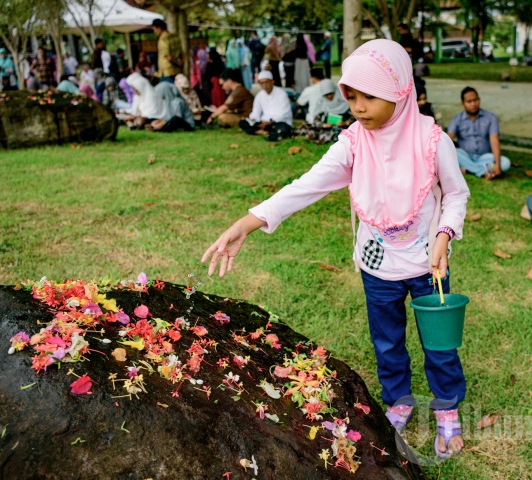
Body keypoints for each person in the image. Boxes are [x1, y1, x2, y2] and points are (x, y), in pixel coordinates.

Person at [203, 39, 469, 458]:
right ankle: (398, 400)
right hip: (377, 267)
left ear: (400, 91)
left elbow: (455, 194)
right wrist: (247, 223)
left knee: (439, 344)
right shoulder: (354, 143)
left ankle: (447, 407)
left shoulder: (433, 142)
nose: (358, 108)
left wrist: (443, 235)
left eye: (370, 97)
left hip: (428, 265)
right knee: (387, 342)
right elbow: (307, 185)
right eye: (352, 96)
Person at [447, 86, 510, 179]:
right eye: (469, 102)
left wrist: (497, 164)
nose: (473, 104)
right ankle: (481, 171)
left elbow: (494, 140)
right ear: (463, 104)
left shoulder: (491, 117)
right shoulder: (456, 120)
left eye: (475, 100)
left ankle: (468, 169)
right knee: (453, 152)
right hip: (464, 156)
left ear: (479, 100)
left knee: (505, 163)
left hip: (484, 158)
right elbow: (448, 140)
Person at [239, 70, 293, 139]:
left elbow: (284, 114)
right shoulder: (259, 95)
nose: (264, 85)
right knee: (243, 122)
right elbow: (256, 112)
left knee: (282, 128)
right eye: (262, 83)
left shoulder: (282, 94)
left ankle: (262, 131)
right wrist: (253, 119)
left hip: (278, 122)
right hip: (264, 122)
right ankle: (261, 131)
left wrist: (270, 122)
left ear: (272, 82)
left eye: (266, 82)